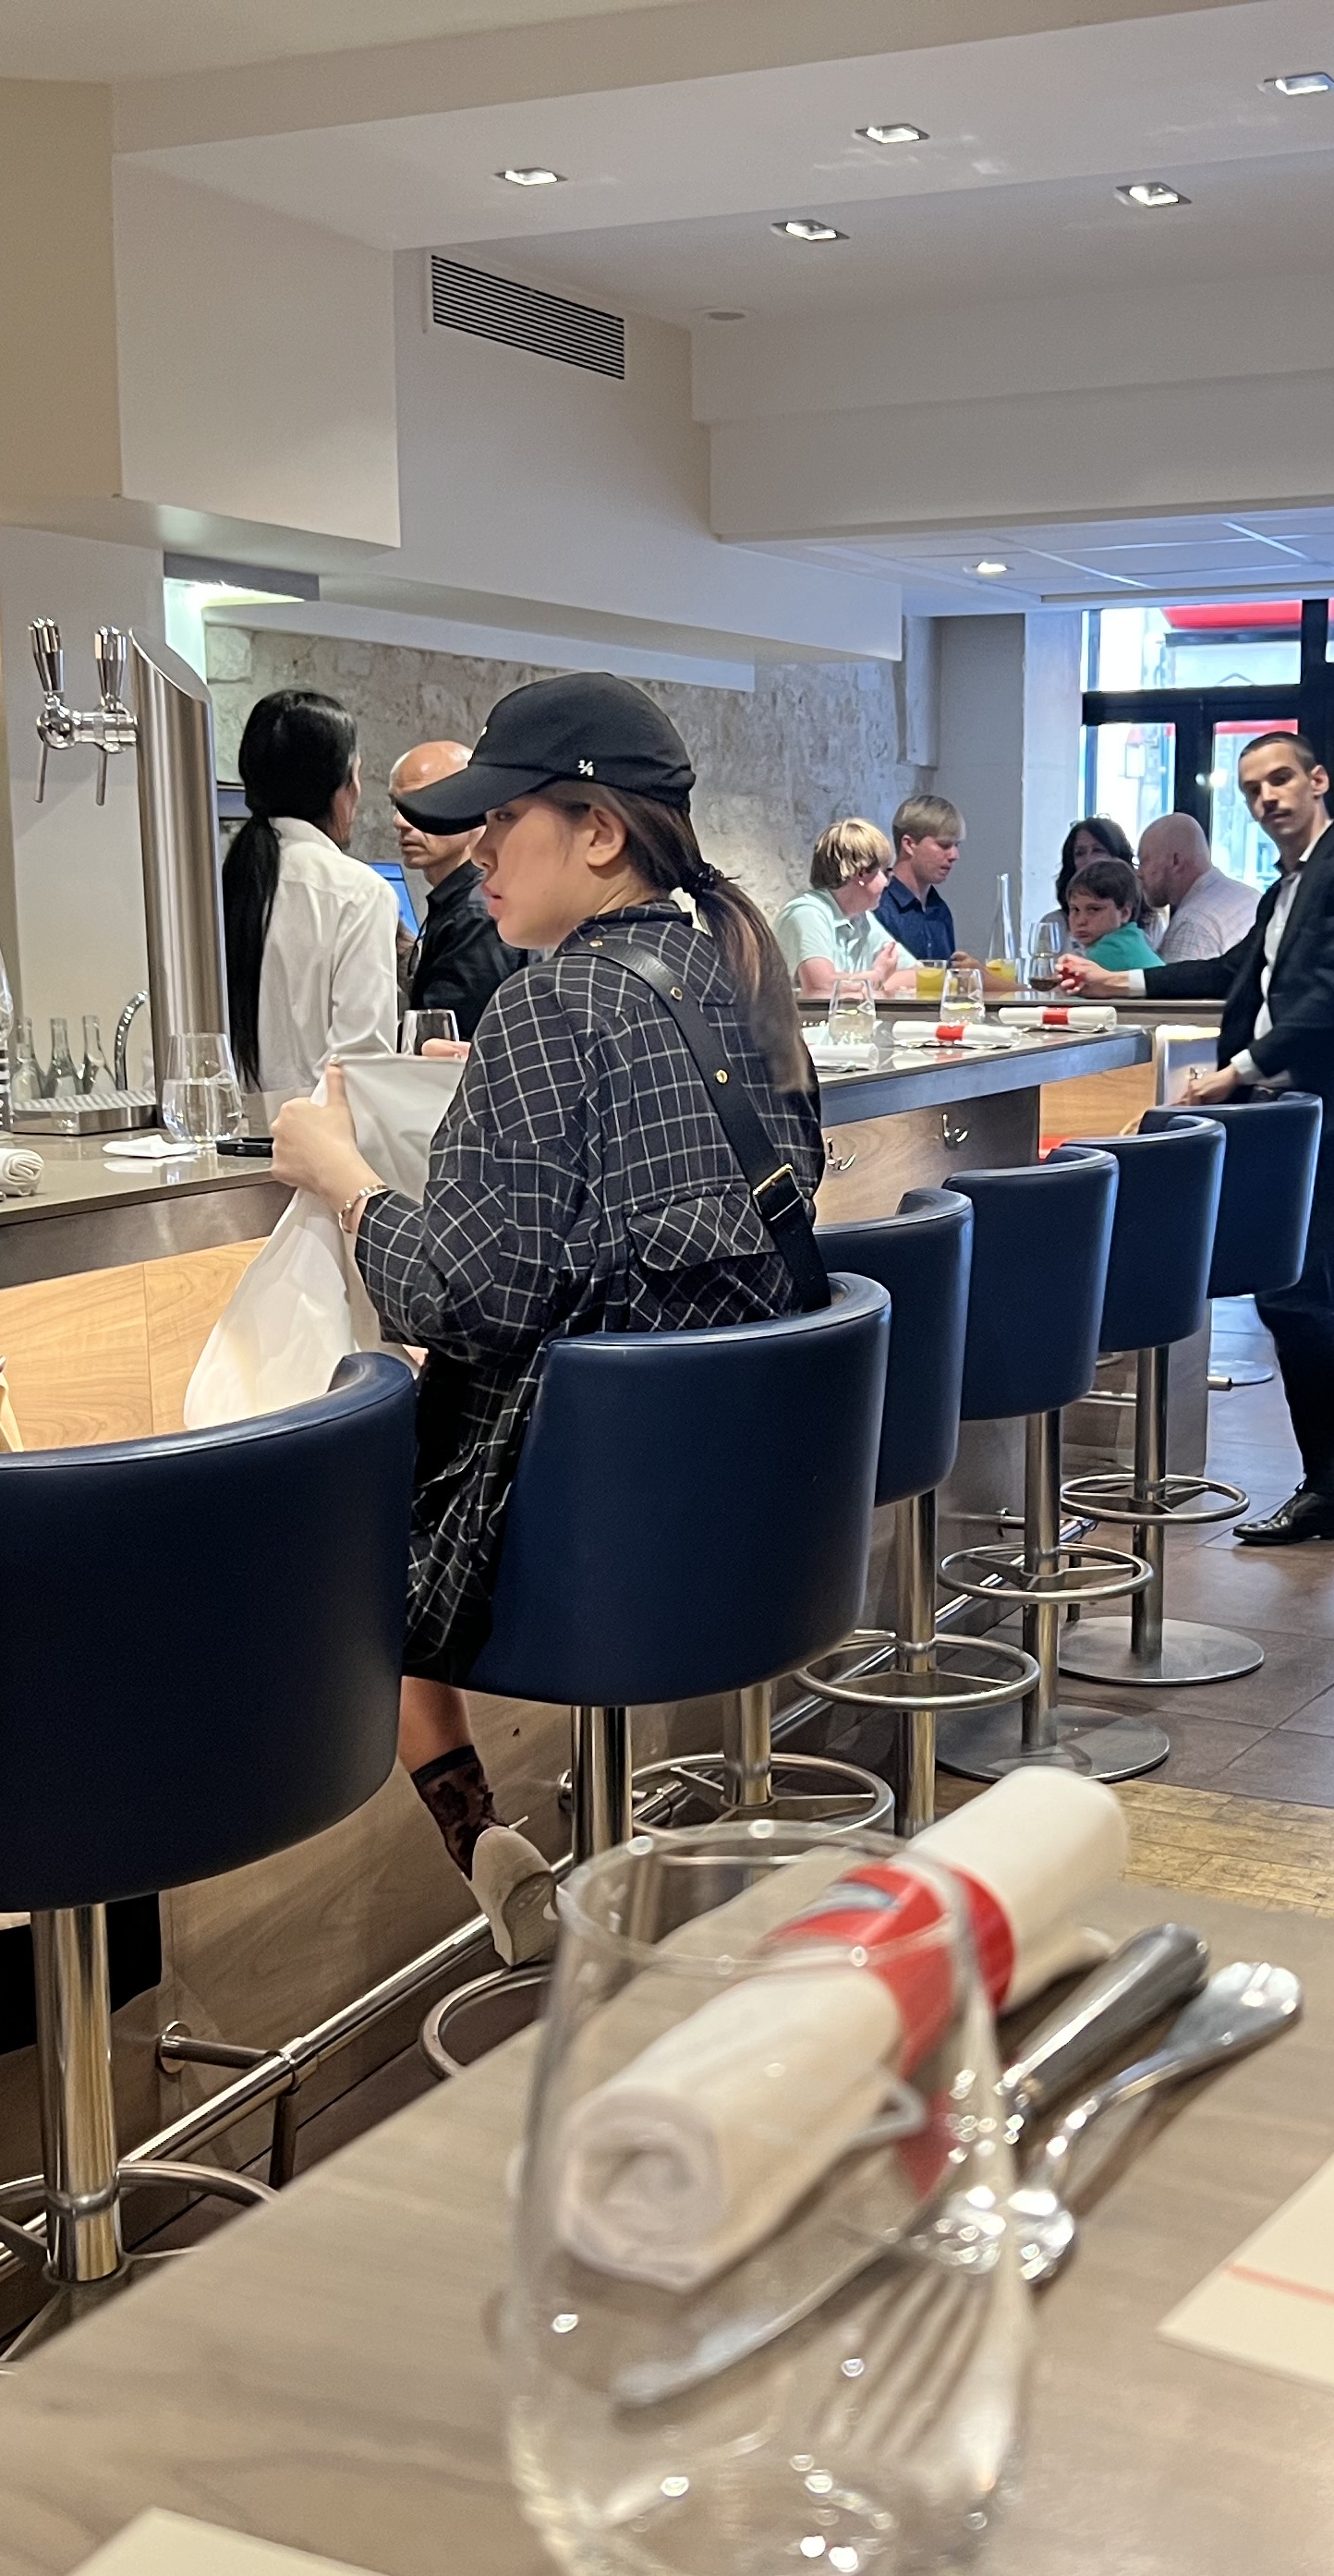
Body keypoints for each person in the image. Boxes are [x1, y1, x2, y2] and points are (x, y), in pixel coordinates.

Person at [268, 673, 820, 1954]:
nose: (476, 851)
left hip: (593, 1542)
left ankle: (480, 1841)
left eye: (502, 820)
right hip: (754, 1514)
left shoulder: (550, 1004)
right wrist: (499, 1089)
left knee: (322, 1504)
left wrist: (342, 1177)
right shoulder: (738, 973)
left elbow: (464, 1296)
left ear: (599, 833)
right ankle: (526, 1861)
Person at [1059, 729, 1334, 1543]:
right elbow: (1233, 975)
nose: (1267, 797)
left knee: (1287, 1290)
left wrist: (1237, 1071)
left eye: (1280, 779)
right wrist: (1121, 979)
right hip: (1284, 1106)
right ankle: (1331, 1486)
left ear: (1317, 781)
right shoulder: (1284, 890)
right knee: (1292, 1290)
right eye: (1253, 787)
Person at [223, 687, 401, 1096]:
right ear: (342, 786)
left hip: (224, 1130)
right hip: (318, 1130)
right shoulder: (360, 892)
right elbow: (361, 1064)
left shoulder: (224, 882)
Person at [394, 737, 515, 1039]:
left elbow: (444, 1043)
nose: (400, 821)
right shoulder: (460, 904)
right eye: (397, 805)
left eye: (423, 802)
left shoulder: (479, 912)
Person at [774, 816, 915, 1000]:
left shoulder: (862, 918)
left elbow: (916, 975)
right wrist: (877, 975)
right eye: (884, 872)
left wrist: (869, 987)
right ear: (861, 873)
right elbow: (820, 989)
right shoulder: (806, 913)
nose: (887, 883)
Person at [1136, 809, 1259, 964]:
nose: (1139, 873)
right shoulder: (1251, 896)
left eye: (1144, 861)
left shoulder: (1192, 924)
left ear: (1175, 861)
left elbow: (1180, 980)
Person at [1027, 814, 1139, 957]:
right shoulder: (1054, 924)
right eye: (1080, 853)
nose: (1089, 859)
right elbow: (1043, 969)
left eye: (1098, 851)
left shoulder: (1150, 923)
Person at [876, 793, 964, 961]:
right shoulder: (878, 906)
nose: (954, 855)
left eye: (956, 845)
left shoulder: (940, 910)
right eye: (944, 845)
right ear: (909, 844)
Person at [1058, 855, 1161, 972]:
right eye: (1075, 909)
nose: (1081, 921)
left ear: (1124, 913)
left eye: (1094, 909)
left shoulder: (1114, 949)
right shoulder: (1130, 938)